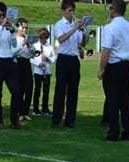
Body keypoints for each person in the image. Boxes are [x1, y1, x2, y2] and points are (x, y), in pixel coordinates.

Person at [98, 0, 129, 142]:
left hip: (114, 66)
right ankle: (128, 131)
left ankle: (113, 132)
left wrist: (101, 68)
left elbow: (106, 50)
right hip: (127, 65)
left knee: (112, 100)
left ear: (113, 10)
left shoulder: (110, 27)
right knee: (125, 100)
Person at [52, 0, 85, 128]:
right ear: (63, 11)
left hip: (74, 59)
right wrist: (74, 28)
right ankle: (56, 119)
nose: (72, 13)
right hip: (63, 59)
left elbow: (82, 43)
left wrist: (83, 31)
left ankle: (70, 120)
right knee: (60, 90)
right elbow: (61, 39)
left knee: (73, 91)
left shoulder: (76, 26)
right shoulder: (59, 24)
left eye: (73, 10)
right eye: (69, 10)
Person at [31, 28, 54, 116]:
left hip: (47, 72)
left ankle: (45, 109)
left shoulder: (49, 47)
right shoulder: (34, 46)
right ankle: (35, 109)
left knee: (46, 91)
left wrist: (48, 59)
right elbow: (31, 58)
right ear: (39, 37)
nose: (43, 40)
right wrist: (38, 63)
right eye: (42, 38)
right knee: (37, 90)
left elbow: (54, 58)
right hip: (38, 72)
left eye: (45, 38)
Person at [14, 18, 34, 122]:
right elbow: (13, 53)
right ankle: (19, 112)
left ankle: (25, 112)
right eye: (23, 27)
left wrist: (30, 46)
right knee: (19, 89)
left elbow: (32, 54)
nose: (25, 30)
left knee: (29, 88)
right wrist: (23, 45)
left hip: (27, 63)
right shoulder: (14, 39)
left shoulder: (27, 38)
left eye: (26, 28)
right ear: (18, 27)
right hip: (17, 63)